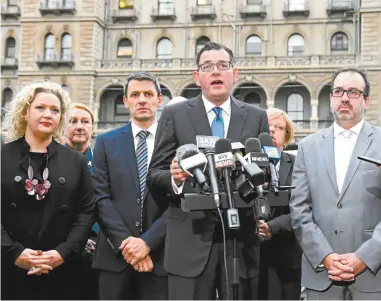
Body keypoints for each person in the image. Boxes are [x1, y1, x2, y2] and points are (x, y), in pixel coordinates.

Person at [147, 41, 270, 300]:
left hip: (240, 243)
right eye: (207, 66)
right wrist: (175, 179)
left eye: (222, 66)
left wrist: (264, 178)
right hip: (189, 241)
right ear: (197, 76)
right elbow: (155, 173)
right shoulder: (175, 113)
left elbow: (264, 167)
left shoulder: (256, 116)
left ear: (234, 74)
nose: (216, 71)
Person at [289, 68, 381, 300]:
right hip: (322, 276)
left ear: (366, 100)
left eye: (353, 92)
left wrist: (363, 258)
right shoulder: (308, 146)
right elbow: (299, 210)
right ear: (331, 98)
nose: (344, 97)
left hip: (376, 275)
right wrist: (326, 257)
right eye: (338, 91)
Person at [1, 82, 95, 300]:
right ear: (25, 112)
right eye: (40, 108)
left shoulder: (76, 161)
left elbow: (86, 212)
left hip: (63, 269)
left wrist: (63, 253)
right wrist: (13, 252)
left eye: (55, 110)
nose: (48, 114)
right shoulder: (2, 156)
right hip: (8, 267)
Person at [91, 72, 168, 300]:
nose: (142, 99)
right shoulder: (106, 142)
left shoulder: (173, 142)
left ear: (159, 99)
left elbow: (180, 201)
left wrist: (147, 242)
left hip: (161, 258)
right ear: (126, 101)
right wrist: (129, 246)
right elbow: (100, 197)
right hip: (114, 258)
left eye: (148, 94)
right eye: (135, 94)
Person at [258, 108, 302, 300]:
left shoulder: (298, 164)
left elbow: (304, 207)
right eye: (267, 127)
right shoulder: (242, 164)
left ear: (287, 135)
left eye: (279, 127)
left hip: (286, 257)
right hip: (252, 257)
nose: (272, 131)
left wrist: (272, 227)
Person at [65, 102, 98, 299]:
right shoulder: (48, 160)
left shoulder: (104, 162)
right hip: (62, 246)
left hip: (98, 247)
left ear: (92, 128)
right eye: (73, 121)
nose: (79, 126)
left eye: (85, 121)